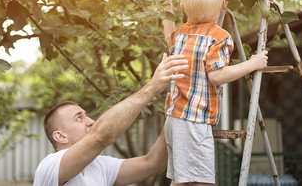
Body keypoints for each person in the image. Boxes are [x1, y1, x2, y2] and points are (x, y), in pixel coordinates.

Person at [163, 0, 269, 185]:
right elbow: (217, 75)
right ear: (223, 6)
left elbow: (168, 38)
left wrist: (167, 11)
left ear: (183, 7)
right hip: (194, 121)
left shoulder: (180, 34)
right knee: (203, 181)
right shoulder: (218, 37)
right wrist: (252, 63)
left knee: (180, 179)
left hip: (174, 118)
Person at [33, 53, 189, 186]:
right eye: (79, 118)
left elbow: (152, 164)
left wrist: (171, 115)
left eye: (86, 115)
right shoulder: (51, 166)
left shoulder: (99, 165)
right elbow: (100, 137)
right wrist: (152, 87)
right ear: (60, 136)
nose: (90, 121)